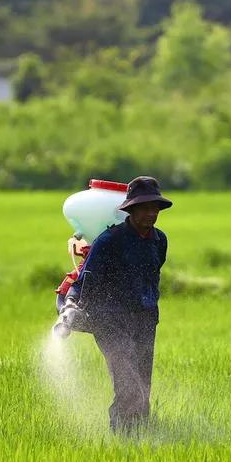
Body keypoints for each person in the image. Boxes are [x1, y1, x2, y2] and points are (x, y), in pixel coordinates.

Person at [62, 176, 172, 434]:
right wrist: (70, 304)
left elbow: (152, 276)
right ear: (130, 209)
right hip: (110, 320)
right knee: (128, 385)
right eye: (144, 208)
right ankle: (122, 438)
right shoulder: (110, 240)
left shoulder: (159, 240)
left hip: (145, 319)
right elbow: (84, 279)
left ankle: (142, 434)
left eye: (155, 208)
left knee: (143, 386)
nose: (151, 213)